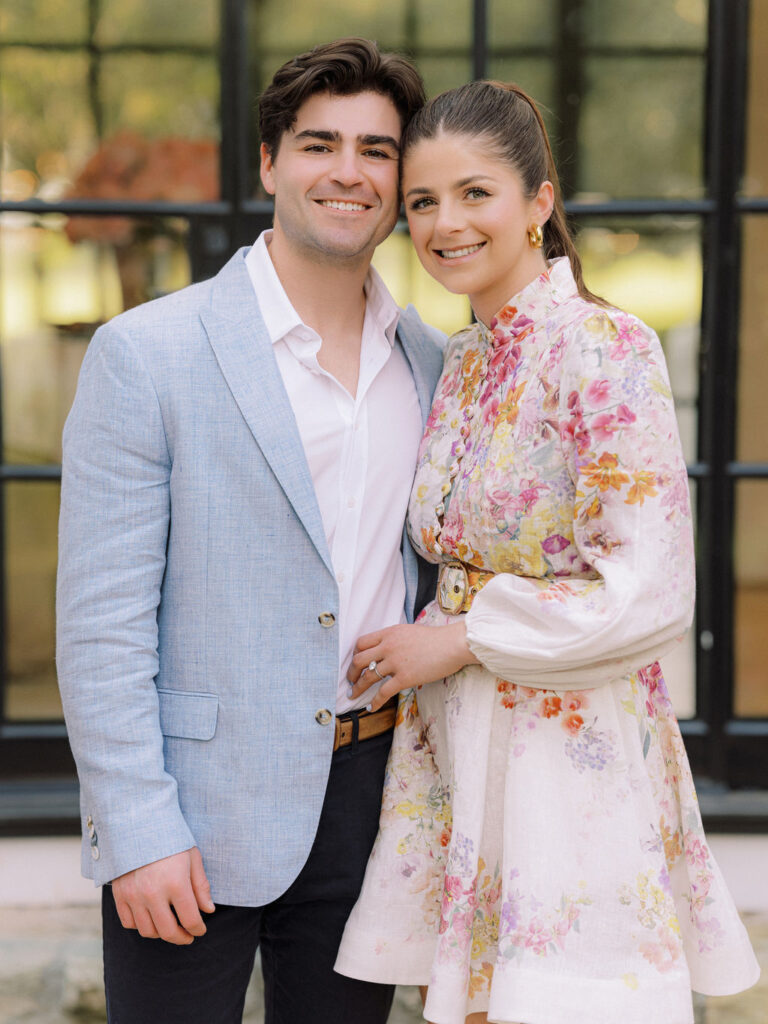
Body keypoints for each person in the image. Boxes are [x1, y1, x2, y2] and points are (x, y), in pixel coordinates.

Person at [335, 81, 760, 1024]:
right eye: (422, 201)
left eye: (474, 193)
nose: (445, 223)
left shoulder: (602, 347)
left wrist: (460, 639)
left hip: (566, 755)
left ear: (539, 201)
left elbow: (649, 590)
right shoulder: (461, 360)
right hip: (457, 747)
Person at [56, 37, 444, 1024]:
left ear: (402, 182)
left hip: (372, 800)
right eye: (319, 144)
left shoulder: (436, 364)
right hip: (191, 810)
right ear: (270, 163)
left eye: (376, 150)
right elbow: (100, 624)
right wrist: (137, 827)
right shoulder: (147, 353)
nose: (349, 171)